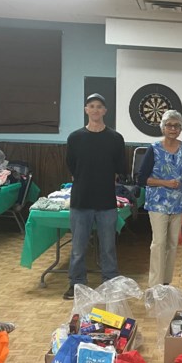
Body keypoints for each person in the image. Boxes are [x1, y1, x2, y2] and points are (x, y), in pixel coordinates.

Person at [62, 93, 126, 300]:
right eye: (91, 106)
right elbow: (72, 165)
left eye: (99, 106)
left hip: (106, 201)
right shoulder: (75, 138)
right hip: (81, 201)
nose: (96, 109)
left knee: (108, 247)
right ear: (86, 110)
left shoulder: (115, 139)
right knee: (78, 248)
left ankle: (110, 282)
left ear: (105, 111)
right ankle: (76, 284)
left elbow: (119, 168)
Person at [137, 110, 182, 288]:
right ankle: (154, 286)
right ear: (163, 127)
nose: (173, 128)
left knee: (173, 243)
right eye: (169, 125)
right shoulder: (154, 149)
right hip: (158, 203)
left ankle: (166, 283)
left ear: (181, 128)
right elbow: (142, 179)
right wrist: (165, 183)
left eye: (176, 125)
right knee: (159, 242)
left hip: (179, 202)